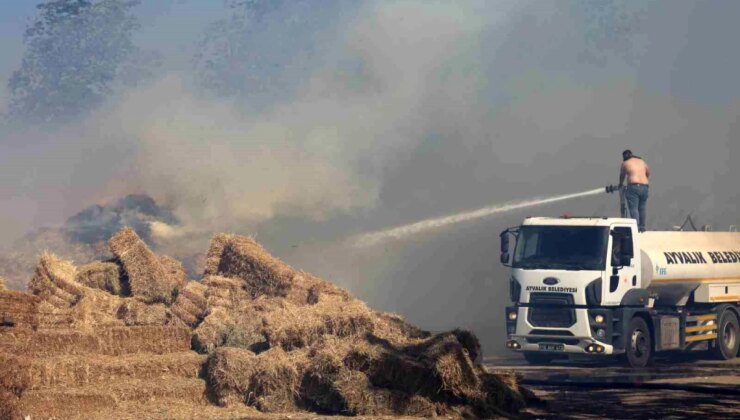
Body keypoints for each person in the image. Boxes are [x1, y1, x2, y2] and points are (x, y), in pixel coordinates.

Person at [618, 150, 650, 232]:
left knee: (633, 208)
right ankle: (642, 227)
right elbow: (648, 171)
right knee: (642, 208)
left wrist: (620, 184)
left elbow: (622, 175)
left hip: (633, 186)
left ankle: (636, 227)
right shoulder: (641, 161)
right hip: (645, 186)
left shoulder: (625, 163)